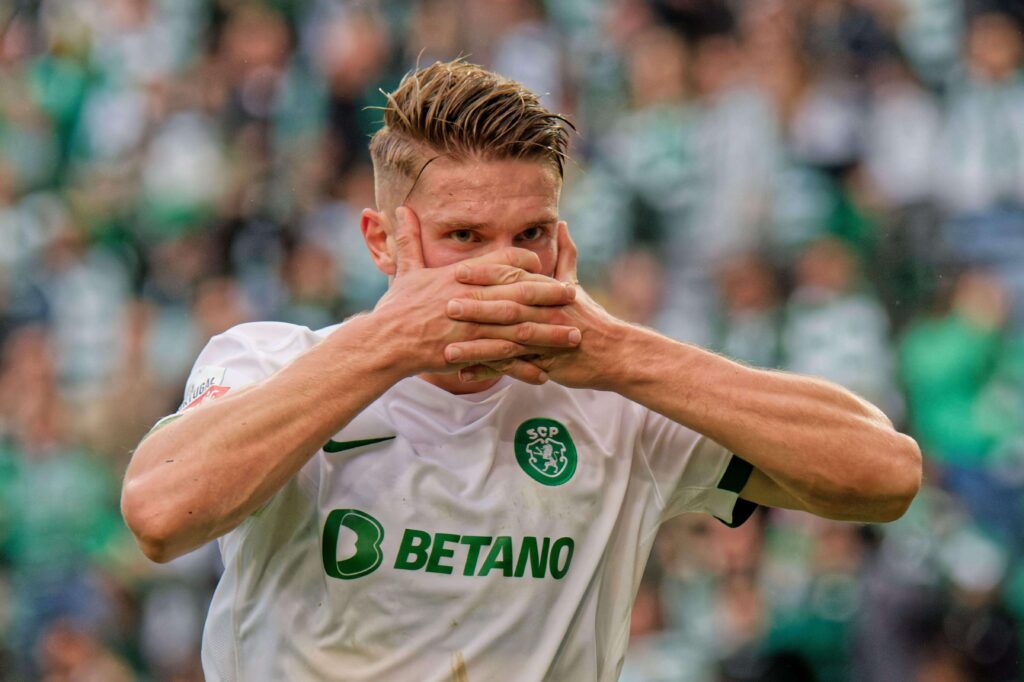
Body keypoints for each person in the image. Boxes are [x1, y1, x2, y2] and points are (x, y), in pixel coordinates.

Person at [121, 60, 921, 682]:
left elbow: (884, 474)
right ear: (380, 241)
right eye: (464, 236)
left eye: (529, 234)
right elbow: (160, 514)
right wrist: (385, 345)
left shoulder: (618, 397)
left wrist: (621, 355)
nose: (503, 267)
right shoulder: (272, 361)